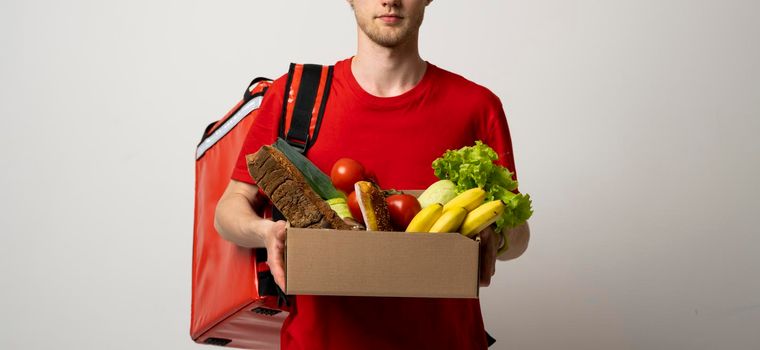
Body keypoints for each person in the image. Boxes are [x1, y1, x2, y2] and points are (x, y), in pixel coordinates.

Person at [215, 0, 530, 348]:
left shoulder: (476, 105)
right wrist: (265, 232)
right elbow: (229, 208)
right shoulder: (294, 97)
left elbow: (519, 233)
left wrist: (497, 236)